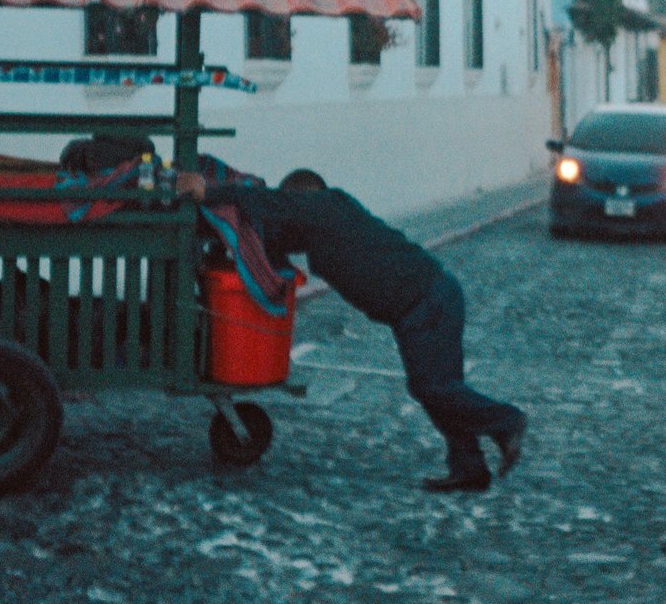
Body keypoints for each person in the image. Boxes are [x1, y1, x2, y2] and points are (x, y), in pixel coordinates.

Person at [177, 166, 525, 495]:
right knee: (439, 389)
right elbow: (275, 232)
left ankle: (506, 421)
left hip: (426, 301)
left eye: (294, 206)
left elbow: (273, 203)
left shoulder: (325, 205)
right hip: (421, 303)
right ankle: (469, 469)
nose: (291, 218)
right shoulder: (325, 228)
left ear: (305, 197)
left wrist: (208, 191)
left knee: (433, 386)